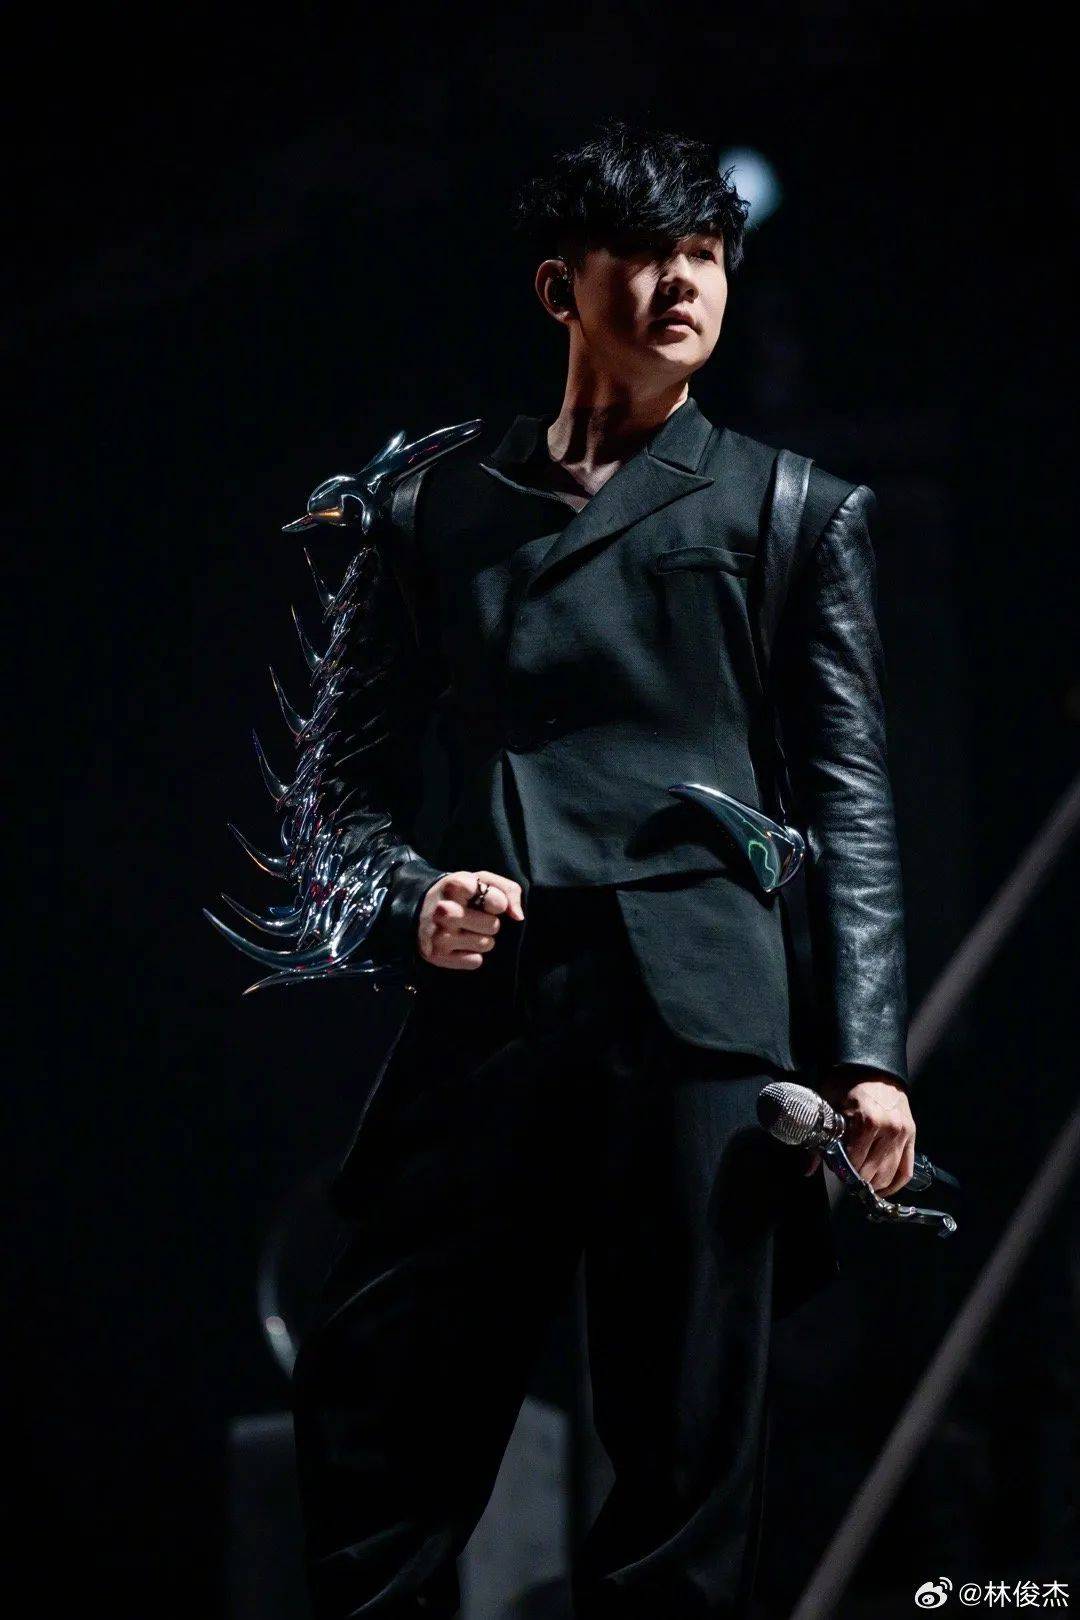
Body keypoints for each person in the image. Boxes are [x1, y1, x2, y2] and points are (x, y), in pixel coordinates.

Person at [212, 118, 917, 1618]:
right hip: (497, 1007)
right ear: (559, 287)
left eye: (705, 255)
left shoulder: (792, 508)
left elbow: (850, 801)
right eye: (645, 255)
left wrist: (869, 1055)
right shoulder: (431, 505)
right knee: (377, 1402)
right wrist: (411, 899)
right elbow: (339, 796)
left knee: (683, 1448)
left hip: (704, 1021)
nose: (681, 284)